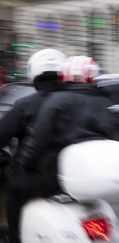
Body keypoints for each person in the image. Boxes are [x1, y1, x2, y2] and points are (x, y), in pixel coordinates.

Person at [6, 55, 119, 243]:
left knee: (13, 189)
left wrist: (18, 168)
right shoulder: (104, 102)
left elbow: (35, 142)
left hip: (51, 178)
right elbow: (118, 141)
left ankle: (15, 238)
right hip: (86, 177)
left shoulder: (55, 101)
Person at [0, 48, 67, 243]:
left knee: (13, 191)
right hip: (73, 177)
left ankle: (15, 237)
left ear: (34, 73)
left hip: (40, 177)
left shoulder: (25, 104)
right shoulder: (77, 100)